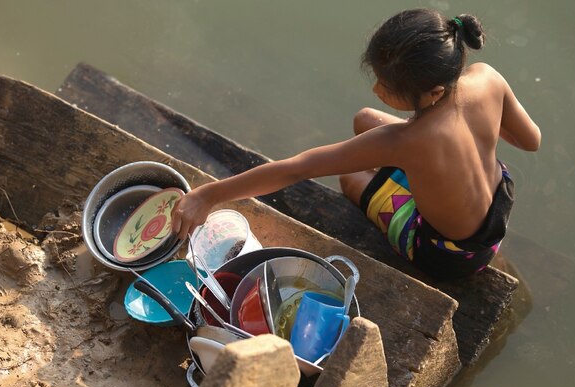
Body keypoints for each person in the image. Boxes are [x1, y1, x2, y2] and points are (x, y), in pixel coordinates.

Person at [171, 8, 541, 278]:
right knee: (366, 119)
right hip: (497, 203)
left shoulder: (405, 140)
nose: (377, 89)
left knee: (350, 179)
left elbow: (299, 167)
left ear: (433, 93)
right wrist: (480, 132)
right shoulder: (486, 77)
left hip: (448, 253)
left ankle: (420, 226)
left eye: (389, 88)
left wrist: (209, 195)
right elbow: (531, 140)